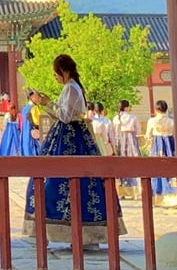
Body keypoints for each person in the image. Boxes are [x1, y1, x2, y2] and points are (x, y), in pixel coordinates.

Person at [24, 54, 122, 246]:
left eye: (56, 73)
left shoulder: (71, 88)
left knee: (59, 181)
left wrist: (47, 103)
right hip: (71, 136)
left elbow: (65, 116)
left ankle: (79, 232)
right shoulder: (73, 87)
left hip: (69, 139)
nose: (55, 77)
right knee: (80, 184)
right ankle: (79, 232)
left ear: (63, 71)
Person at [146, 100, 177, 200]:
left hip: (157, 143)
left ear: (156, 109)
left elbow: (148, 135)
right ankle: (171, 193)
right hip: (169, 143)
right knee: (170, 166)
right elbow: (174, 133)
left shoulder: (152, 121)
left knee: (156, 167)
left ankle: (158, 192)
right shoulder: (171, 121)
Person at [112, 99, 142, 197]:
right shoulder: (132, 117)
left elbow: (114, 132)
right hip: (131, 140)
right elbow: (138, 131)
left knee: (121, 164)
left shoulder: (116, 118)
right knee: (134, 163)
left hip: (120, 141)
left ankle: (122, 190)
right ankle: (135, 190)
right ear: (126, 107)